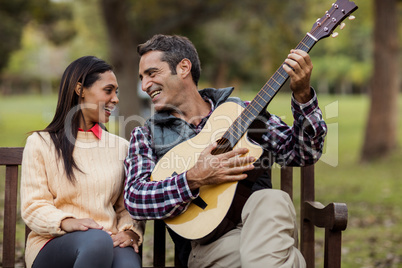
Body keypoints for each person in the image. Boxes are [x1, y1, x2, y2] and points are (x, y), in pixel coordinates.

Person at [124, 34, 327, 268]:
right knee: (285, 259)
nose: (144, 85)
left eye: (151, 73)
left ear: (183, 68)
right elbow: (135, 198)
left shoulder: (244, 112)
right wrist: (192, 179)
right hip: (209, 246)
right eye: (142, 78)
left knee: (272, 199)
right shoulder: (146, 135)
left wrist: (303, 97)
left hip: (262, 224)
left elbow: (304, 153)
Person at [21, 56, 145, 268]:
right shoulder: (40, 143)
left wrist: (130, 231)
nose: (115, 99)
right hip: (53, 243)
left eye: (116, 92)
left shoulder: (121, 147)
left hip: (109, 241)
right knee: (97, 241)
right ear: (80, 89)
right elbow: (34, 206)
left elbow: (126, 207)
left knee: (127, 263)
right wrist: (68, 222)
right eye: (108, 90)